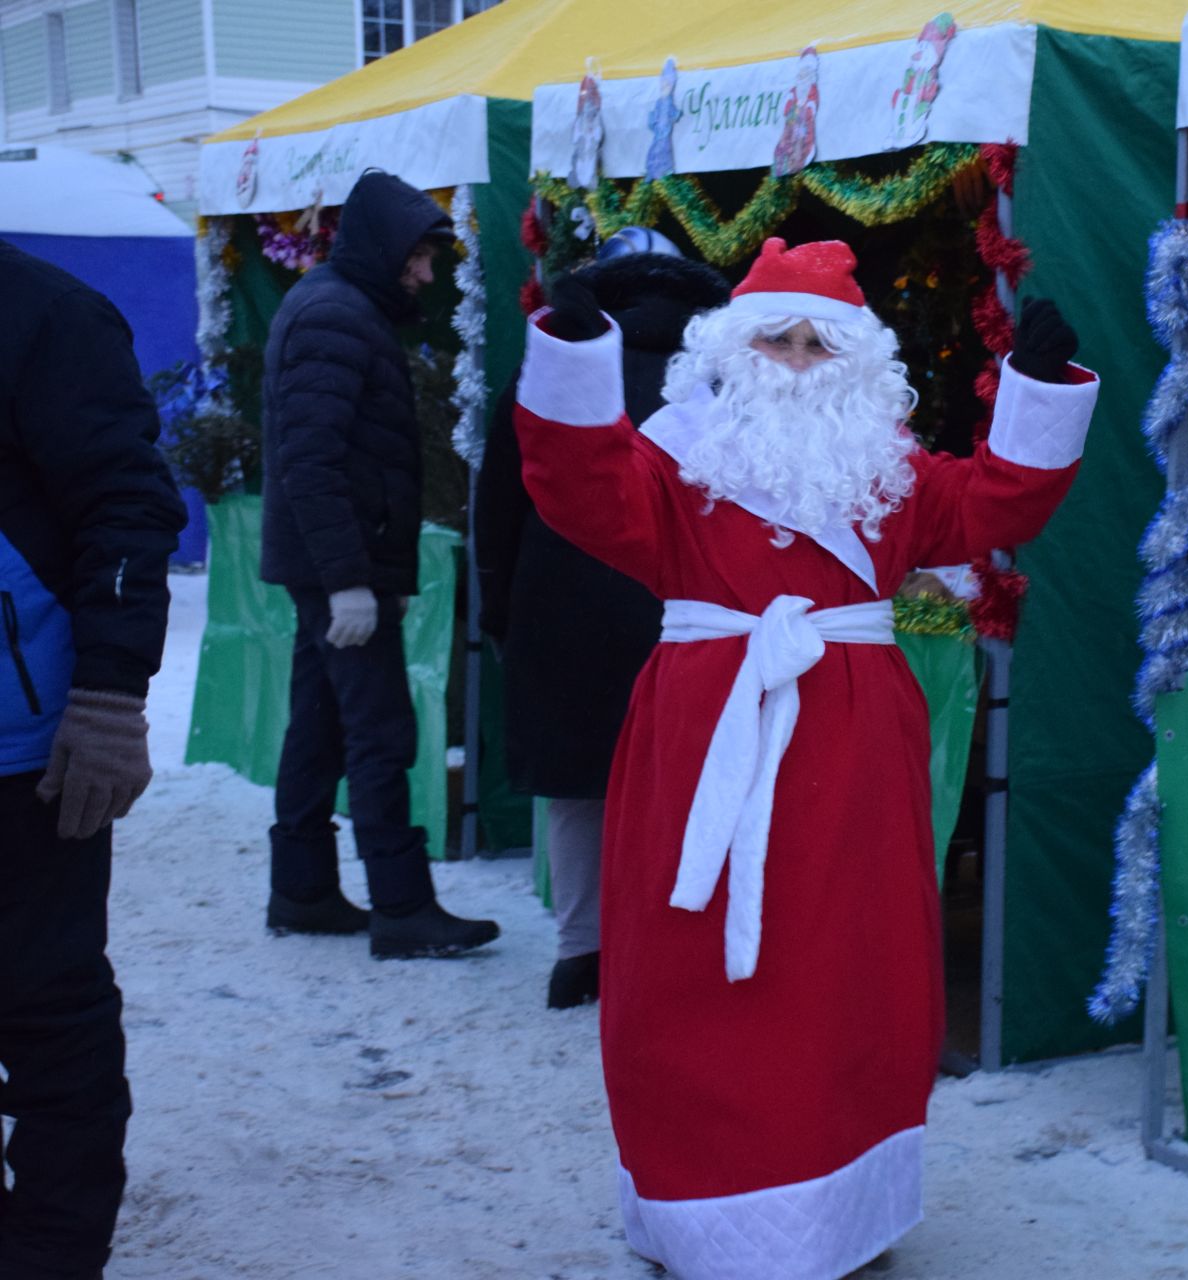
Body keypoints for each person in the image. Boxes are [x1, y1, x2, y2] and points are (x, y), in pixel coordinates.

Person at [515, 238, 1096, 1279]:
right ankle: (700, 1202)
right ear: (734, 350)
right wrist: (570, 359)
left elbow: (993, 506)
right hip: (709, 740)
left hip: (855, 751)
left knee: (850, 971)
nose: (794, 357)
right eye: (775, 337)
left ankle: (838, 1202)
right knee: (692, 975)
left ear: (856, 361)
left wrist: (1038, 394)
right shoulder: (675, 457)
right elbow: (578, 485)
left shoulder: (890, 472)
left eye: (817, 341)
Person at [475, 231, 730, 1008]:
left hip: (561, 590)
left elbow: (502, 491)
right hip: (681, 600)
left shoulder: (555, 356)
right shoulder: (722, 369)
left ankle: (578, 950)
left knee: (577, 781)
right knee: (678, 781)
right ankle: (662, 950)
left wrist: (498, 600)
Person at [0, 239, 186, 1280]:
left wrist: (111, 697)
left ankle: (52, 1255)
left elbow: (128, 504)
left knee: (46, 1012)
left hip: (22, 754)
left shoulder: (47, 313)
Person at [259, 169, 498, 959]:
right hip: (340, 569)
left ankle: (301, 890)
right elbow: (312, 461)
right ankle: (401, 907)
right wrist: (350, 582)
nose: (428, 276)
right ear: (384, 251)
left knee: (321, 727)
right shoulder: (334, 316)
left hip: (332, 564)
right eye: (420, 261)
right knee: (378, 731)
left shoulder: (340, 309)